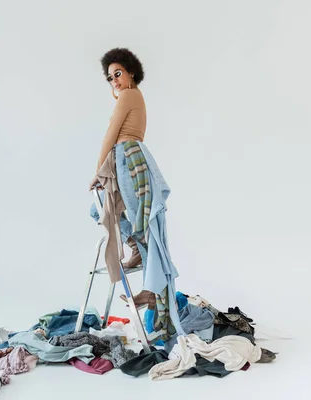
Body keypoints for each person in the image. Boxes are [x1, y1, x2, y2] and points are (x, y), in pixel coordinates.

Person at [88, 48, 182, 327]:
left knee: (138, 219)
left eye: (118, 74)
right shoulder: (132, 96)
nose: (114, 81)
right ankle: (138, 253)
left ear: (131, 71)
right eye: (110, 78)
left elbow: (111, 134)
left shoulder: (129, 94)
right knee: (104, 212)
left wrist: (97, 172)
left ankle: (150, 289)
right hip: (127, 158)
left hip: (127, 158)